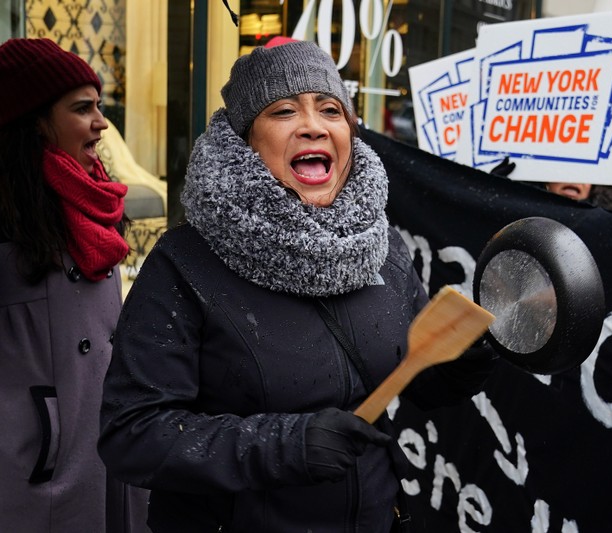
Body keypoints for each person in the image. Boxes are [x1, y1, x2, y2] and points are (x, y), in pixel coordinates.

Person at [98, 37, 494, 532]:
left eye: (330, 109)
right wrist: (285, 445)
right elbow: (131, 434)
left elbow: (411, 375)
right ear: (245, 142)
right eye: (284, 111)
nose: (313, 125)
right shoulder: (185, 263)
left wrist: (465, 364)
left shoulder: (382, 247)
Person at [0, 38, 148, 532]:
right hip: (32, 462)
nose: (101, 123)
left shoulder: (91, 202)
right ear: (32, 122)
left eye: (99, 106)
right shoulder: (9, 218)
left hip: (102, 438)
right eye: (82, 108)